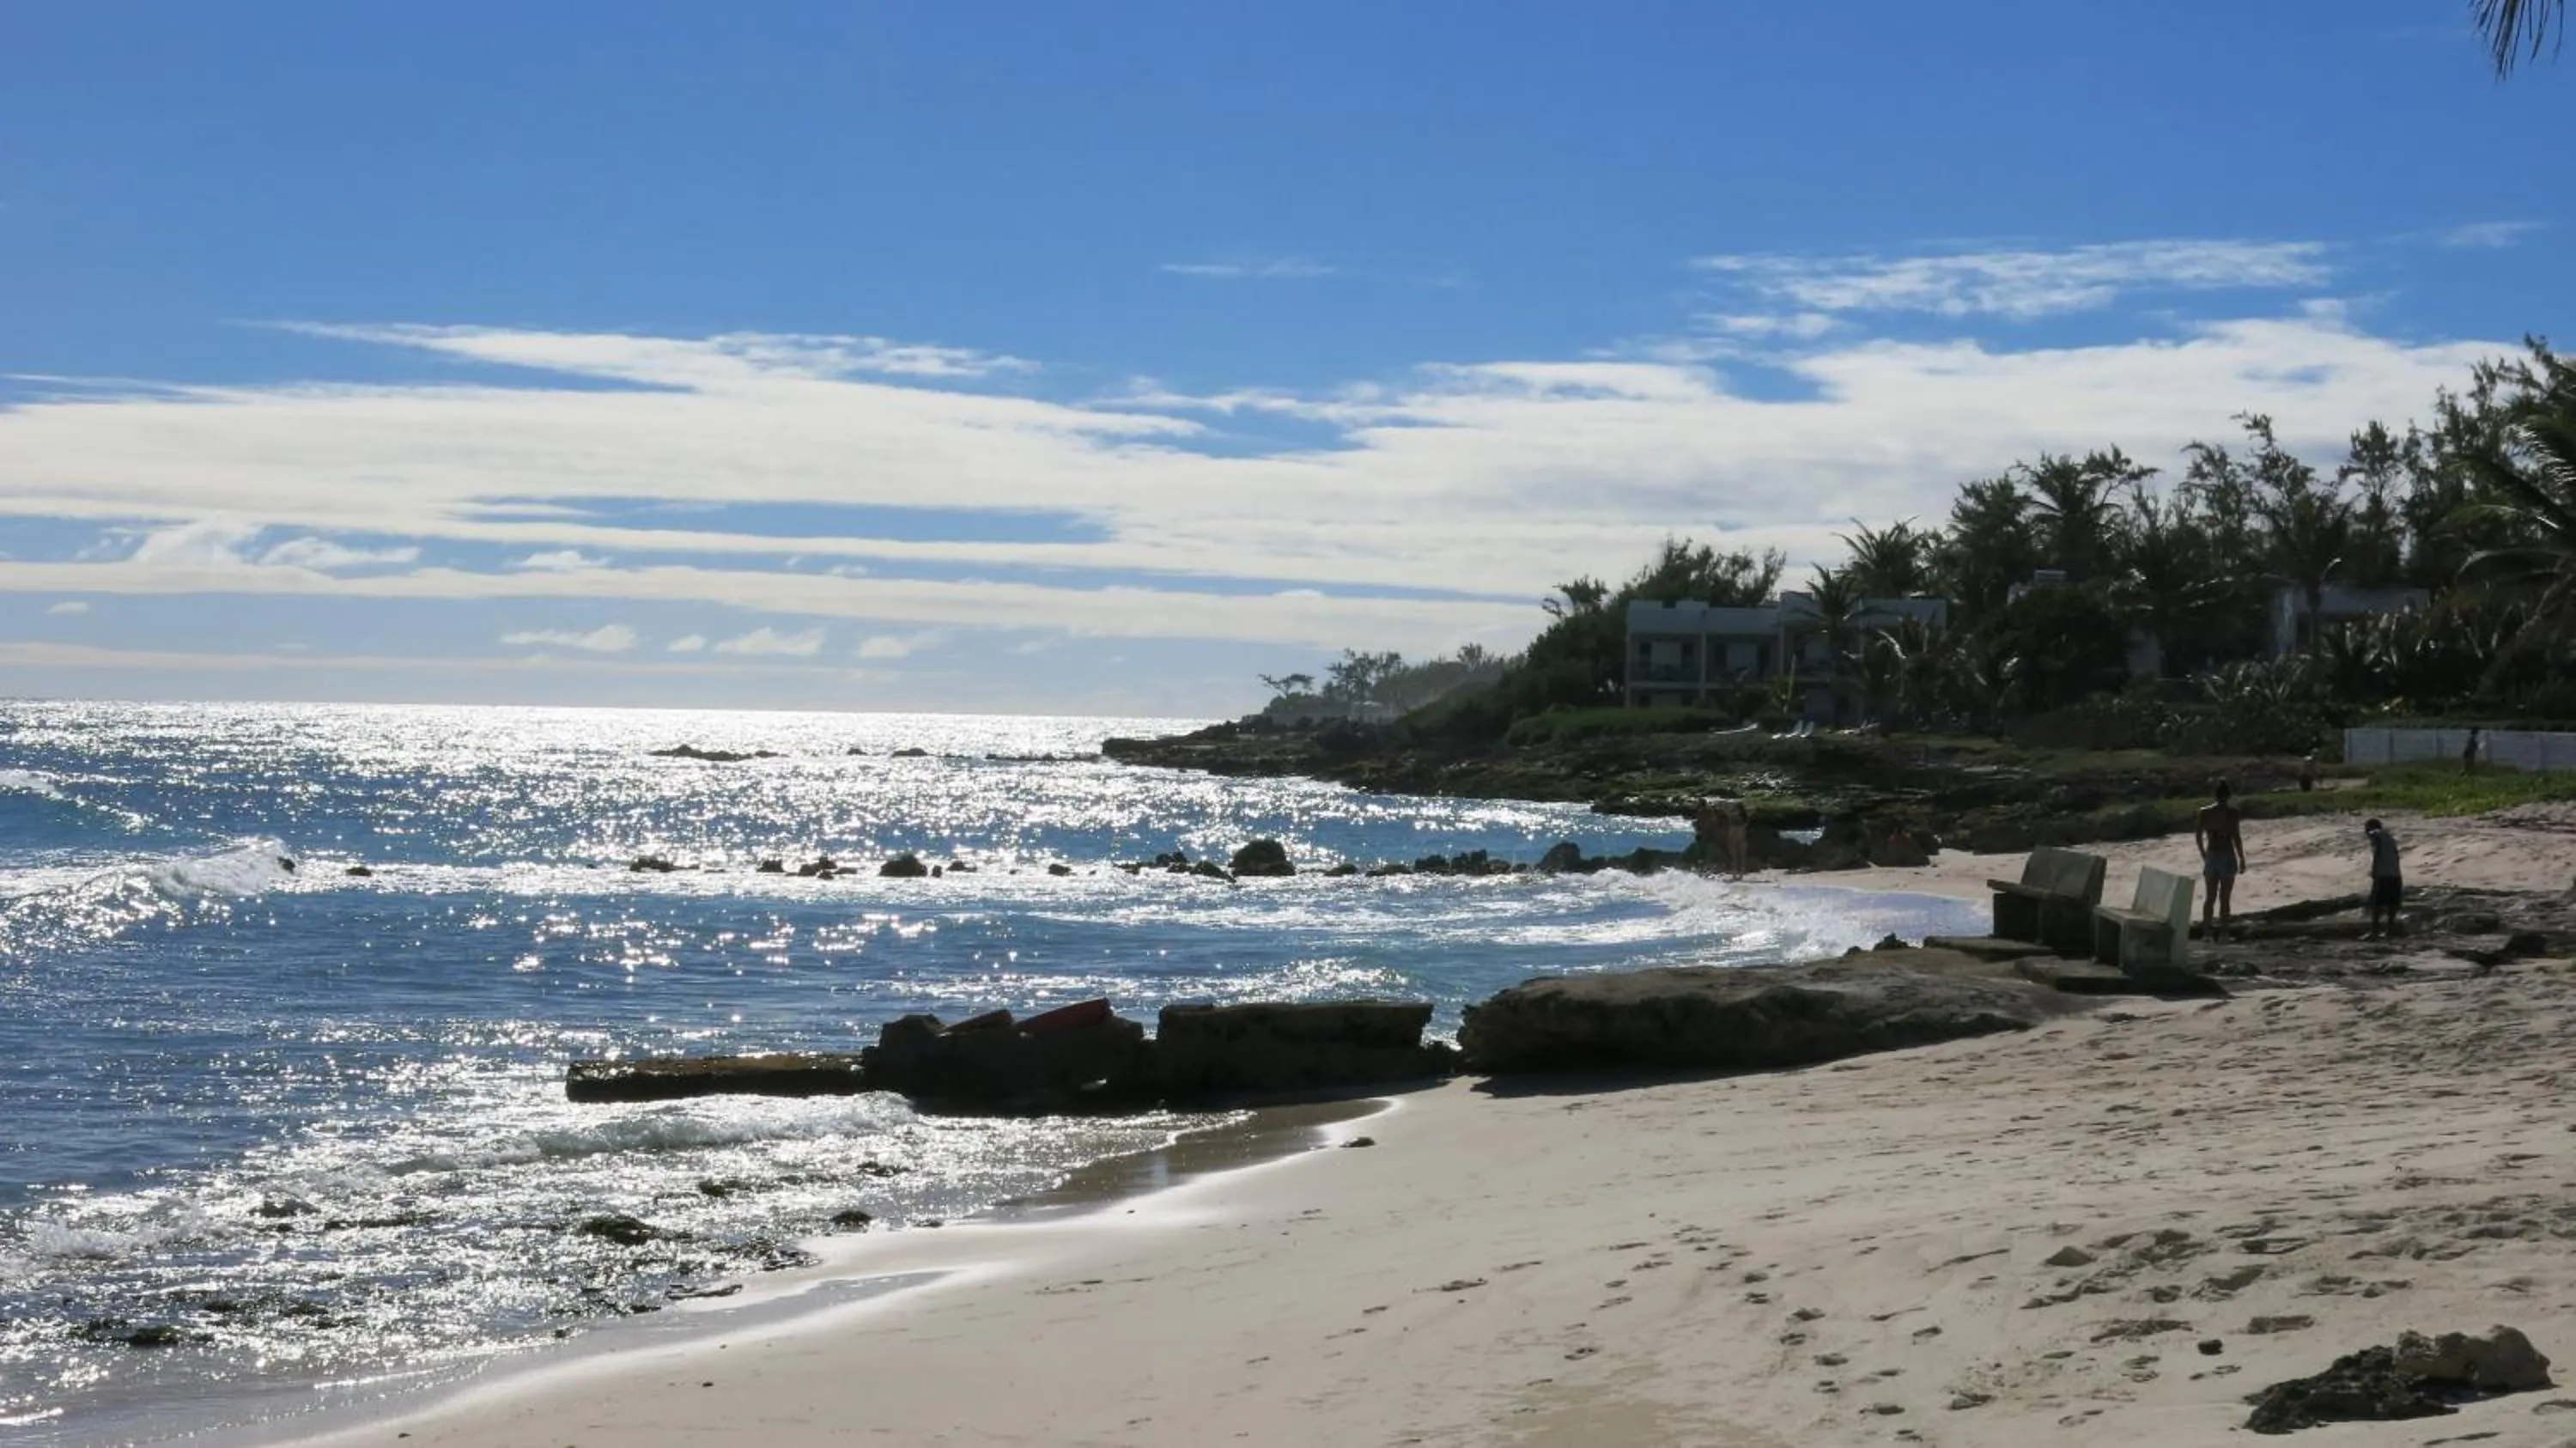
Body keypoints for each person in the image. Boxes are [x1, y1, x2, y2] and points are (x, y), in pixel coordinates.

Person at [2195, 780, 2247, 937]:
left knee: (2210, 897)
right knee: (2225, 898)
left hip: (2212, 854)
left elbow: (2198, 835)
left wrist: (2203, 853)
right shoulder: (2233, 813)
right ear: (2229, 796)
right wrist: (2241, 857)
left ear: (2215, 795)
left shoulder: (2205, 812)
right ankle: (2224, 933)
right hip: (2227, 854)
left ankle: (2206, 933)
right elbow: (2236, 837)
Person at [2363, 818, 2403, 940]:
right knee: (2392, 904)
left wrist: (2375, 869)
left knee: (2377, 905)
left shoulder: (2375, 834)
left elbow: (2377, 851)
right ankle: (2389, 931)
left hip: (2383, 875)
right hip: (2395, 874)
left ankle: (2374, 932)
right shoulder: (2390, 838)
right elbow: (2396, 856)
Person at [1726, 801, 1752, 880]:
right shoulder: (1743, 818)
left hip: (1736, 838)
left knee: (1736, 858)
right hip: (1740, 838)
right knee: (1739, 858)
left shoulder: (1734, 817)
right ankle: (1739, 875)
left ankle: (1736, 875)